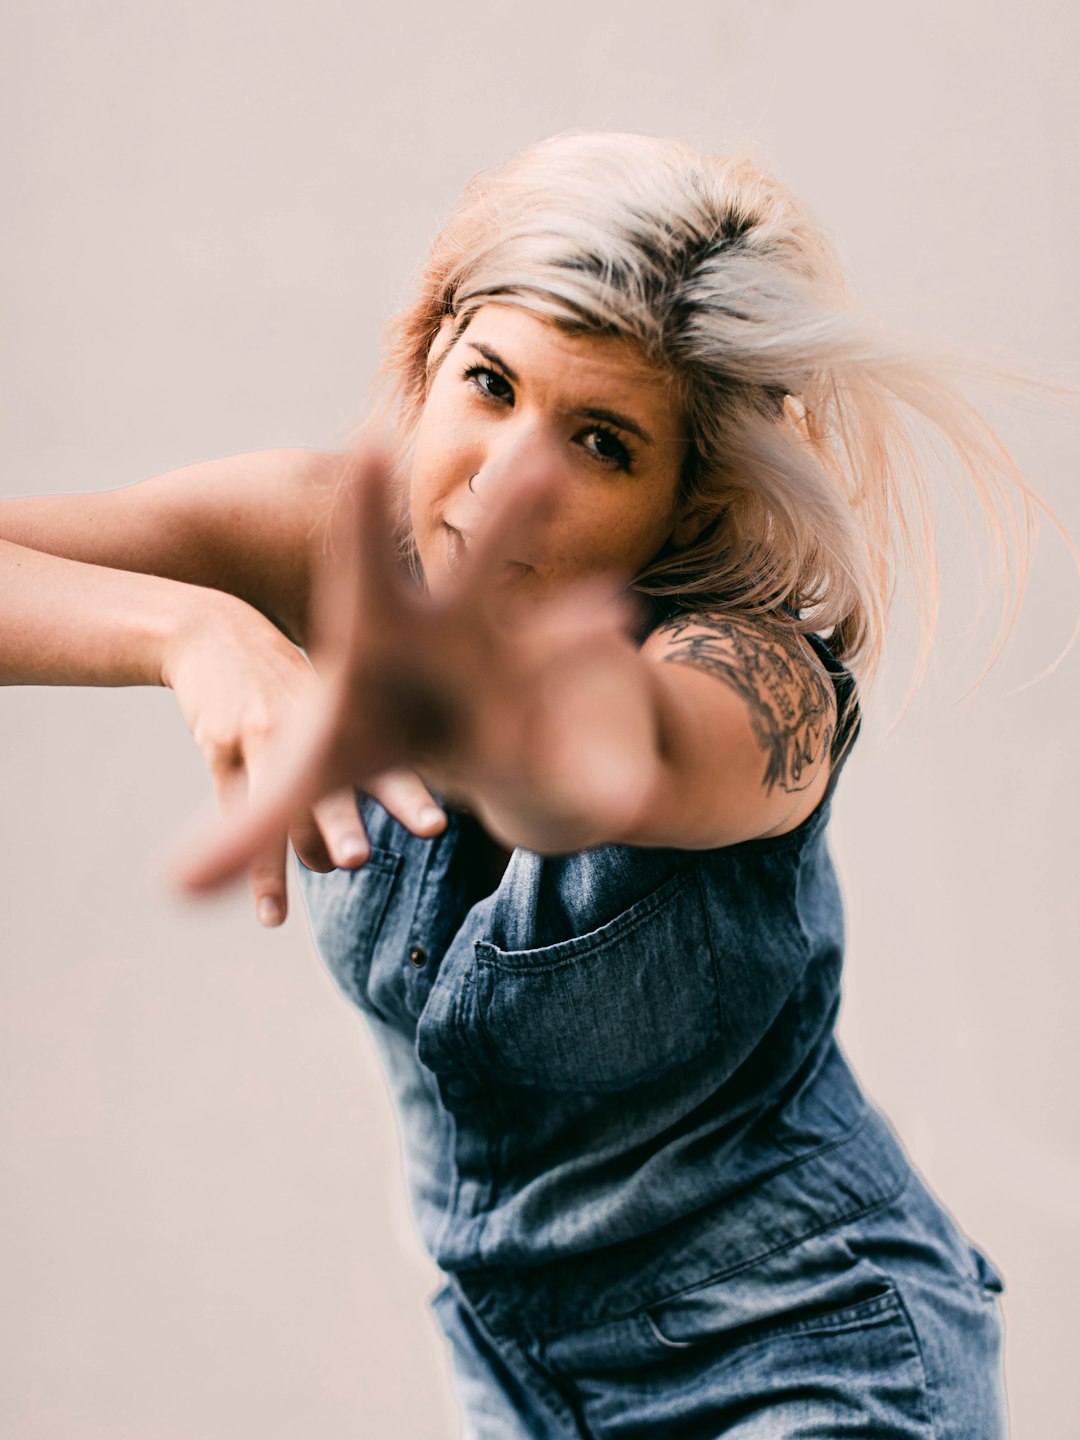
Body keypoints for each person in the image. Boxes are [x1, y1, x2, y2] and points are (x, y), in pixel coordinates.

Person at [2, 130, 1062, 1438]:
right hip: (527, 1393)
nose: (509, 476)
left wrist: (467, 713)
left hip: (812, 1372)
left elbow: (610, 762)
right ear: (430, 354)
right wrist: (191, 631)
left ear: (686, 501)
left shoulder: (755, 678)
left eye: (604, 443)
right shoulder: (334, 536)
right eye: (491, 385)